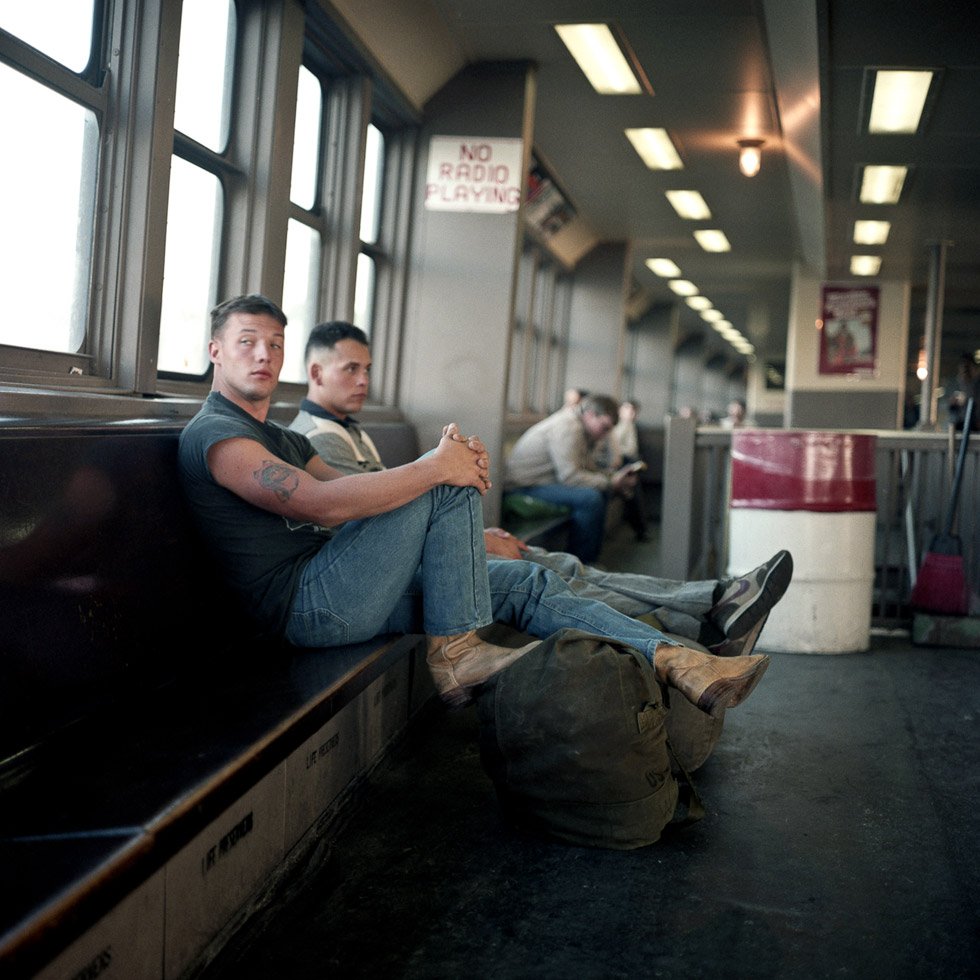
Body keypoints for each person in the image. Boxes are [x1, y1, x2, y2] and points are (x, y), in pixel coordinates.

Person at [178, 294, 774, 718]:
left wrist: (449, 484)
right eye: (247, 342)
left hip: (340, 586)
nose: (263, 355)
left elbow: (355, 504)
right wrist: (439, 470)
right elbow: (323, 506)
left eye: (274, 343)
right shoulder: (215, 435)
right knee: (444, 475)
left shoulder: (286, 439)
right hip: (303, 608)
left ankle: (682, 661)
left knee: (525, 582)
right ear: (215, 351)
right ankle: (457, 651)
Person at [288, 320, 793, 658]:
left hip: (397, 562)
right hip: (372, 584)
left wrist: (475, 533)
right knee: (545, 569)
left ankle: (708, 605)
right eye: (349, 369)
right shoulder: (318, 441)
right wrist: (476, 541)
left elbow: (393, 510)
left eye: (367, 369)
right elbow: (359, 535)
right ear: (314, 373)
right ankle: (703, 621)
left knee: (559, 564)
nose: (362, 381)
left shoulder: (348, 432)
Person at [503, 393, 637, 563]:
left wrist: (612, 477)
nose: (606, 434)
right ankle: (581, 563)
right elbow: (571, 477)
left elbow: (586, 468)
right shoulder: (568, 428)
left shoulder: (581, 428)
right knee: (590, 498)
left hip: (544, 483)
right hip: (522, 488)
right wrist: (611, 482)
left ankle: (592, 559)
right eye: (604, 427)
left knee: (600, 492)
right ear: (590, 415)